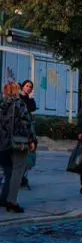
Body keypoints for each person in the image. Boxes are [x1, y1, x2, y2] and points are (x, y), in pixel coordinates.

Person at [0, 81, 37, 213]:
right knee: (17, 171)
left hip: (4, 143)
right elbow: (26, 123)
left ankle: (5, 199)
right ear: (16, 91)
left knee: (8, 172)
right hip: (19, 142)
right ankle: (12, 201)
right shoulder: (19, 104)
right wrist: (32, 140)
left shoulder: (2, 105)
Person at [19, 80, 36, 190]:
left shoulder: (28, 98)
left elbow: (32, 108)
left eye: (30, 87)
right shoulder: (18, 98)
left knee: (29, 155)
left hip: (28, 129)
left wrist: (30, 98)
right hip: (20, 130)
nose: (28, 88)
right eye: (27, 86)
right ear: (22, 87)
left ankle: (22, 177)